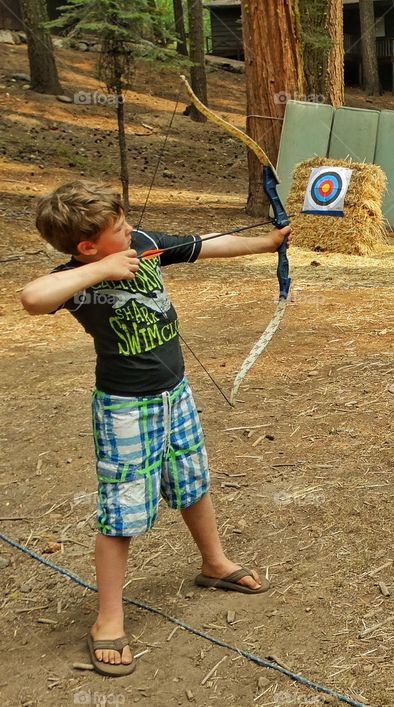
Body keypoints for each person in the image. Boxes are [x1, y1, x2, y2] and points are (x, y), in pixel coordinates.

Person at [20, 181, 291, 677]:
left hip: (176, 394)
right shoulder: (79, 276)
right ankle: (108, 618)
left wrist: (267, 243)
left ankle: (214, 563)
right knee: (122, 510)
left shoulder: (143, 244)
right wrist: (101, 269)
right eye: (118, 229)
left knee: (192, 482)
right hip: (125, 409)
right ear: (87, 247)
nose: (130, 231)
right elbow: (32, 298)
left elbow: (206, 244)